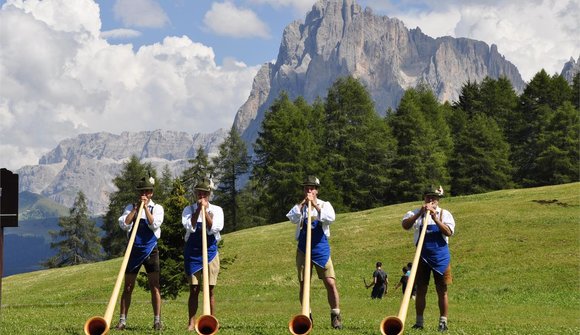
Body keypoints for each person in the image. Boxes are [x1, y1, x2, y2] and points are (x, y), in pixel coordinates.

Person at [286, 176, 343, 329]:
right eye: (306, 188)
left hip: (320, 249)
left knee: (330, 282)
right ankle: (307, 316)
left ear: (317, 190)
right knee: (304, 284)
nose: (309, 190)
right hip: (303, 249)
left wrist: (316, 206)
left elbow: (330, 218)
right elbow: (291, 217)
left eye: (311, 188)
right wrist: (304, 203)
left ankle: (335, 315)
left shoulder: (325, 205)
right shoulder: (301, 207)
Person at [401, 185, 455, 332]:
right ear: (424, 199)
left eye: (434, 198)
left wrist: (435, 219)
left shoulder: (445, 214)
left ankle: (443, 322)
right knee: (421, 290)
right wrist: (419, 214)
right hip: (422, 257)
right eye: (428, 197)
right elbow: (405, 225)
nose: (431, 200)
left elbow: (449, 232)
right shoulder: (415, 212)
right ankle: (419, 322)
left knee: (442, 290)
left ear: (438, 200)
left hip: (441, 257)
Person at [115, 176, 165, 331]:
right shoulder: (131, 207)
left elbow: (154, 224)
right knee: (128, 286)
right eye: (142, 191)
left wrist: (145, 210)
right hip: (133, 250)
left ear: (151, 193)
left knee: (154, 285)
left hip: (150, 249)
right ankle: (122, 320)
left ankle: (157, 321)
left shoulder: (156, 208)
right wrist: (136, 209)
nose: (144, 193)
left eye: (147, 191)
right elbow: (124, 224)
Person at [182, 178, 224, 331]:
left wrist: (205, 212)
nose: (202, 196)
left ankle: (212, 321)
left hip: (210, 252)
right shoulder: (188, 210)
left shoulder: (217, 210)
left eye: (205, 194)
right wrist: (198, 210)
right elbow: (189, 226)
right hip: (193, 253)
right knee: (193, 289)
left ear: (209, 194)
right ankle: (191, 322)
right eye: (199, 193)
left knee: (210, 289)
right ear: (195, 194)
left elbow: (215, 228)